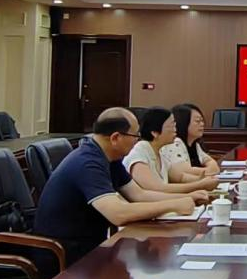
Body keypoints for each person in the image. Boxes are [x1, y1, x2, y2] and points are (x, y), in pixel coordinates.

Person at [33, 108, 206, 265]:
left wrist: (187, 197)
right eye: (135, 136)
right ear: (115, 138)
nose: (137, 141)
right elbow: (118, 214)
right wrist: (172, 205)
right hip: (65, 255)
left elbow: (138, 194)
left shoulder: (109, 157)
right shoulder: (87, 163)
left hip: (91, 245)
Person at [125, 106, 222, 195]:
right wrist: (199, 185)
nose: (175, 130)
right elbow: (157, 188)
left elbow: (181, 177)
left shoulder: (159, 151)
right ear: (155, 132)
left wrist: (201, 179)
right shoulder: (140, 151)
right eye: (171, 126)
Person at [162, 103, 220, 181]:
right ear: (183, 122)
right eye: (197, 121)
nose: (202, 124)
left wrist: (209, 171)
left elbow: (214, 166)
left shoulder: (195, 145)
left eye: (202, 120)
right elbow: (186, 172)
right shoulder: (174, 143)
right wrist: (209, 171)